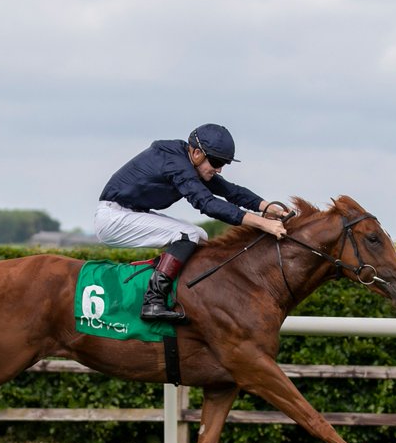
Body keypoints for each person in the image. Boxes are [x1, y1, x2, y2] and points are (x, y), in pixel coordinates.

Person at [94, 123, 289, 324]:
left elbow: (230, 191)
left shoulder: (189, 162)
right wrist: (262, 224)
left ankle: (185, 295)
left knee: (200, 236)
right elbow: (207, 204)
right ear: (196, 153)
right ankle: (153, 302)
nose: (219, 168)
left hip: (129, 213)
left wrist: (268, 208)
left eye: (224, 163)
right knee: (189, 235)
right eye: (216, 161)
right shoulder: (176, 164)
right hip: (113, 218)